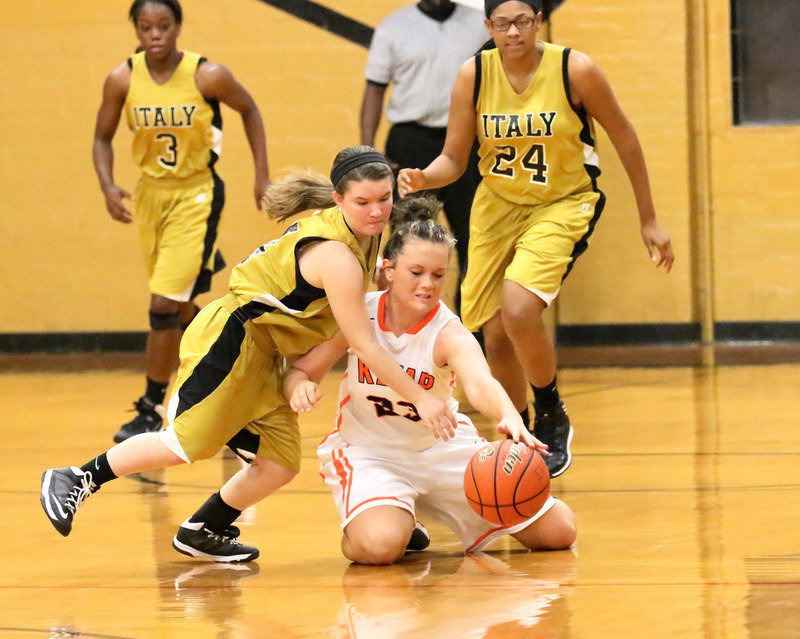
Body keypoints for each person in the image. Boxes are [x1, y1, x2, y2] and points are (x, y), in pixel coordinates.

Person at [41, 147, 457, 562]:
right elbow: (363, 343)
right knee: (183, 443)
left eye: (384, 199)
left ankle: (204, 528)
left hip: (266, 352)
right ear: (339, 200)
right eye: (363, 202)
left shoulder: (362, 233)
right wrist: (420, 397)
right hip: (231, 341)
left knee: (280, 463)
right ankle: (76, 478)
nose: (376, 211)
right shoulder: (337, 256)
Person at [398, 0, 674, 477]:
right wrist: (425, 177)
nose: (513, 32)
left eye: (523, 21)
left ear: (539, 21)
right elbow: (455, 159)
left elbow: (625, 138)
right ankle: (519, 432)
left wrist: (649, 219)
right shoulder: (473, 75)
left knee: (520, 309)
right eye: (502, 24)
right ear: (488, 26)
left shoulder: (574, 69)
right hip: (497, 205)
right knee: (493, 332)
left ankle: (550, 410)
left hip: (562, 202)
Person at [284, 201, 576, 565]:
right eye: (416, 272)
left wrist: (509, 414)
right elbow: (300, 371)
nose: (427, 284)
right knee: (378, 547)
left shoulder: (448, 332)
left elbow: (479, 382)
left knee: (560, 531)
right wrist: (300, 386)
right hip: (371, 453)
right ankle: (392, 516)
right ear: (389, 270)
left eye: (438, 275)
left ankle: (405, 511)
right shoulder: (358, 315)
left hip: (441, 449)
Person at [93, 0, 270, 443]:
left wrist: (261, 176)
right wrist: (108, 186)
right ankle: (234, 388)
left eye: (163, 25)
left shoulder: (207, 75)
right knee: (185, 307)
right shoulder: (122, 78)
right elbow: (101, 136)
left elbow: (249, 109)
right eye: (146, 27)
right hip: (151, 197)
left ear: (177, 27)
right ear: (136, 30)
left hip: (197, 194)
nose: (155, 34)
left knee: (162, 305)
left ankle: (151, 408)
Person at [360, 0, 489, 311]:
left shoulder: (480, 24)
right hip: (411, 143)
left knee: (476, 242)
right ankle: (402, 321)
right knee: (408, 243)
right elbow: (374, 90)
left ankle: (470, 329)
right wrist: (367, 152)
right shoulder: (394, 26)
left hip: (469, 143)